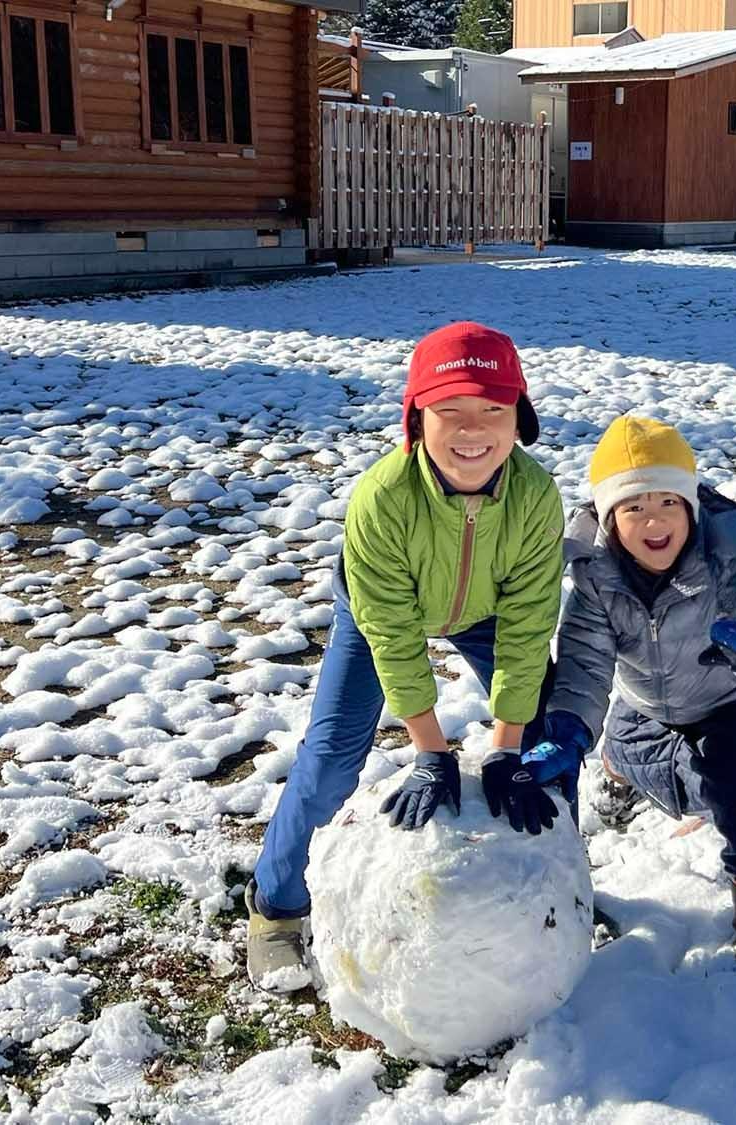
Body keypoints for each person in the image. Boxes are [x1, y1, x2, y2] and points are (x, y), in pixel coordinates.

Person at [245, 322, 569, 987]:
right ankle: (274, 906)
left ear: (519, 418)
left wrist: (506, 748)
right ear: (417, 419)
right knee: (332, 757)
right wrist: (431, 750)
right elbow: (394, 637)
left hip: (487, 610)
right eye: (449, 410)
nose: (471, 429)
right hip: (378, 611)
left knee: (548, 738)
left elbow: (529, 628)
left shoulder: (535, 498)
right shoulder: (382, 499)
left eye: (493, 410)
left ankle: (555, 883)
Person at [523, 416, 736, 963]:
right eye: (634, 508)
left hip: (727, 697)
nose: (653, 521)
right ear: (610, 518)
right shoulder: (597, 584)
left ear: (690, 508)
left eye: (668, 503)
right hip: (644, 705)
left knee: (733, 796)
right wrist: (566, 730)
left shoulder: (721, 566)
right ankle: (617, 763)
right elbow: (584, 665)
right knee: (641, 758)